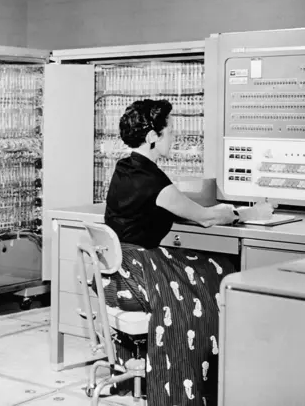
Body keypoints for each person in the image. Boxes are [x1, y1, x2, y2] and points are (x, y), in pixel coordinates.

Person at [100, 99, 274, 406]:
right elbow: (206, 217)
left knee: (210, 266)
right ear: (153, 136)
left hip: (116, 278)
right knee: (223, 271)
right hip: (140, 277)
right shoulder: (154, 182)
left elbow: (160, 209)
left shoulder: (124, 168)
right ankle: (203, 382)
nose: (174, 138)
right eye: (169, 131)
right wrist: (250, 212)